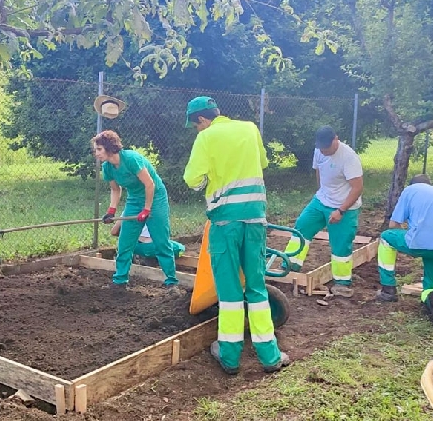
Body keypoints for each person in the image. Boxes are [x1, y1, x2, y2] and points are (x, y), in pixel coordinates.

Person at [182, 96, 289, 375]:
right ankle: (270, 356)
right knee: (256, 287)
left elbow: (192, 179)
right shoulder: (250, 128)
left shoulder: (206, 138)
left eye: (196, 126)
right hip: (255, 220)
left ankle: (229, 356)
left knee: (229, 292)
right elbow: (262, 162)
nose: (197, 130)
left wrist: (209, 180)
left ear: (202, 120)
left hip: (225, 223)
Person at [283, 126, 363, 298]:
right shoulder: (319, 150)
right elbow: (319, 171)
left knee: (340, 244)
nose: (324, 151)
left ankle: (342, 283)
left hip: (345, 206)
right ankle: (290, 265)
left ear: (336, 139)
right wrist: (321, 193)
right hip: (321, 200)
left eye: (327, 147)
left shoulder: (349, 157)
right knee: (301, 227)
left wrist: (341, 210)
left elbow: (357, 188)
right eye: (321, 148)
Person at [92, 130, 178, 287]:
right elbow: (116, 190)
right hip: (134, 199)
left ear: (109, 147)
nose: (96, 153)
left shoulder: (131, 159)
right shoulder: (108, 168)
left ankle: (171, 281)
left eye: (99, 149)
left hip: (155, 197)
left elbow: (150, 184)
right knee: (125, 242)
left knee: (161, 241)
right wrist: (111, 211)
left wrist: (147, 209)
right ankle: (120, 281)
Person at [376, 174, 433, 312]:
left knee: (386, 237)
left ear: (411, 184)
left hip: (419, 243)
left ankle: (388, 289)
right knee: (430, 261)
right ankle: (428, 301)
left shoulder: (409, 191)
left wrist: (408, 238)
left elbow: (393, 224)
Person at [110, 219, 186, 264]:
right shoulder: (158, 211)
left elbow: (113, 232)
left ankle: (131, 257)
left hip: (134, 246)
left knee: (125, 242)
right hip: (152, 247)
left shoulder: (128, 211)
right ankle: (155, 258)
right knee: (180, 248)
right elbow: (164, 235)